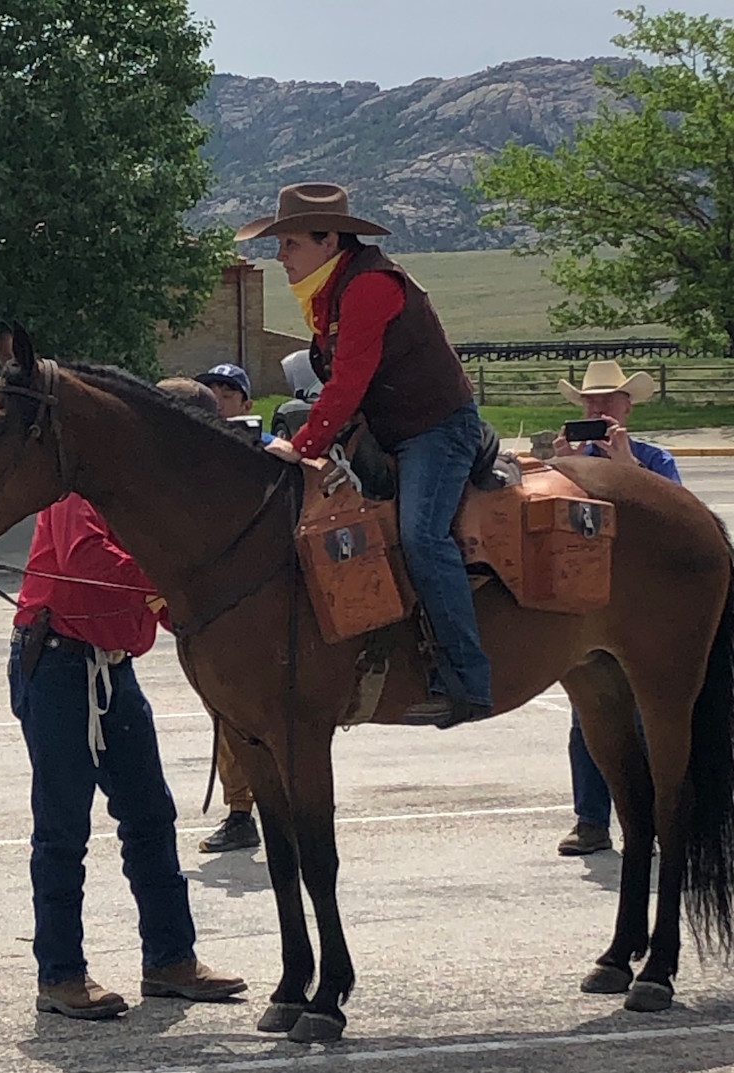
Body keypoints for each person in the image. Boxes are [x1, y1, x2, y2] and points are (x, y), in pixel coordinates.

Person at [8, 377, 246, 1020]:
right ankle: (60, 975)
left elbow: (165, 599)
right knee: (63, 827)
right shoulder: (85, 486)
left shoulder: (155, 501)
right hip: (59, 664)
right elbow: (92, 564)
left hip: (110, 667)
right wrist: (179, 575)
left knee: (150, 816)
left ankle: (170, 961)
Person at [236, 181, 491, 726]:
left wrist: (301, 446)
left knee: (423, 536)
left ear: (329, 241)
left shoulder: (369, 286)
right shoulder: (334, 290)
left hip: (436, 429)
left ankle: (468, 680)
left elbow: (349, 382)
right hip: (390, 430)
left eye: (290, 244)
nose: (280, 256)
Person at [552, 360, 681, 855]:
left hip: (643, 603)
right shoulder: (567, 462)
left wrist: (627, 467)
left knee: (650, 718)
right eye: (590, 401)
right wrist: (560, 465)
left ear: (628, 407)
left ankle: (646, 821)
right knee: (588, 716)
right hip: (589, 598)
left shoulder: (654, 460)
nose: (597, 408)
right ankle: (591, 820)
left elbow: (677, 520)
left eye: (607, 400)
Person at [192, 363, 267, 852]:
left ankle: (276, 808)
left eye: (228, 391)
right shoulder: (189, 462)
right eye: (211, 390)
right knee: (225, 712)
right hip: (214, 609)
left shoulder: (263, 456)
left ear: (246, 405)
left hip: (262, 604)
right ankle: (240, 812)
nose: (218, 398)